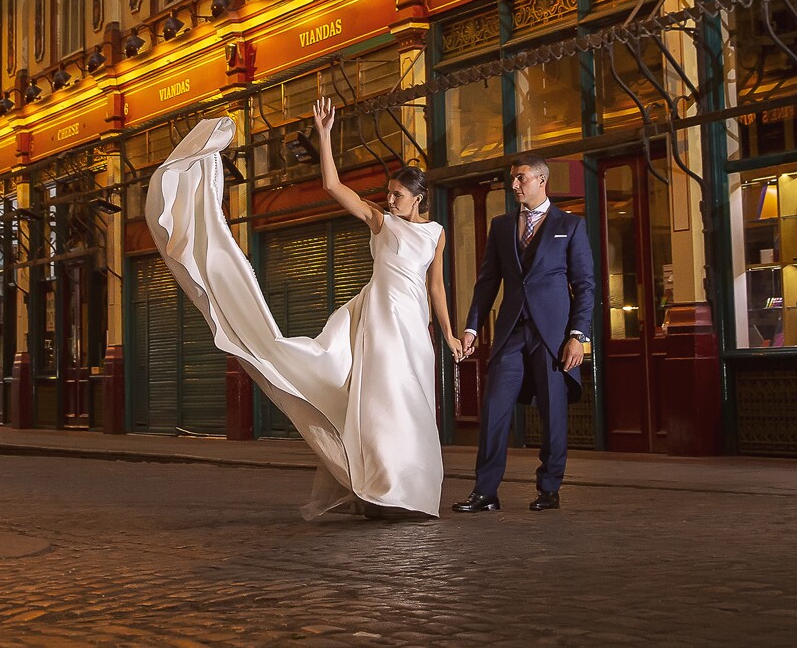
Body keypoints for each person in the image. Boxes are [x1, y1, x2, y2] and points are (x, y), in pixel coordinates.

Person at [143, 99, 455, 520]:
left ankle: (409, 490)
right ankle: (382, 489)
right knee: (383, 403)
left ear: (419, 199)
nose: (391, 198)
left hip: (415, 326)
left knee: (413, 404)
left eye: (399, 195)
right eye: (390, 193)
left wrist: (450, 333)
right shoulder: (381, 221)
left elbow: (435, 286)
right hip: (380, 322)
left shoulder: (435, 234)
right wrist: (325, 136)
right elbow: (331, 186)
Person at [452, 153, 595, 514]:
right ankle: (485, 492)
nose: (513, 184)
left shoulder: (571, 226)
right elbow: (487, 283)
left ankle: (549, 489)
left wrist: (577, 336)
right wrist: (472, 326)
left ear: (541, 180)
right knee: (495, 410)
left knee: (553, 415)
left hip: (553, 339)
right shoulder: (501, 226)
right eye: (512, 179)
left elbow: (586, 286)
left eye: (521, 178)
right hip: (511, 334)